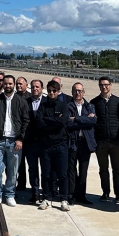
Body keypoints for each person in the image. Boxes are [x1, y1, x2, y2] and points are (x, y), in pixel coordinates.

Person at [0, 75, 28, 207]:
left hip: (14, 141)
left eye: (10, 83)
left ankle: (10, 194)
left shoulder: (21, 101)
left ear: (14, 84)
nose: (8, 86)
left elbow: (26, 121)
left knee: (12, 170)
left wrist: (20, 138)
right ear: (3, 85)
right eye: (6, 84)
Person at [35, 80, 72, 211]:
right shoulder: (43, 106)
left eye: (54, 91)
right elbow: (39, 123)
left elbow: (63, 122)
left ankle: (64, 199)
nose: (51, 93)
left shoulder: (63, 106)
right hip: (46, 145)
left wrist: (48, 120)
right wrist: (53, 121)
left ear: (58, 92)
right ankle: (47, 198)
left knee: (62, 174)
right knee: (46, 174)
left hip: (60, 145)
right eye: (49, 91)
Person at [91, 77, 119, 203]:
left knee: (117, 169)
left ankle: (118, 194)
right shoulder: (94, 102)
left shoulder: (118, 101)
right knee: (103, 169)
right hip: (101, 142)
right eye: (101, 85)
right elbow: (92, 122)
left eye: (106, 85)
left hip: (116, 141)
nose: (104, 87)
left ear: (110, 85)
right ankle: (105, 192)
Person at [67, 83, 97, 205]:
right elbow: (68, 123)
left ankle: (81, 195)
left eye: (80, 91)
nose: (78, 93)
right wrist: (85, 119)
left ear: (83, 92)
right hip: (73, 142)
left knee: (83, 170)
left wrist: (77, 118)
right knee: (72, 170)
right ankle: (71, 194)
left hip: (85, 143)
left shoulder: (89, 106)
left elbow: (93, 120)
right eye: (75, 91)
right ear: (72, 92)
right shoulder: (68, 106)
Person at [23, 79, 46, 204]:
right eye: (33, 87)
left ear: (42, 88)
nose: (35, 89)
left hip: (43, 142)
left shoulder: (47, 102)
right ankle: (35, 193)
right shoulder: (25, 102)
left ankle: (46, 193)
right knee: (32, 169)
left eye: (37, 87)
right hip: (30, 142)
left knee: (45, 169)